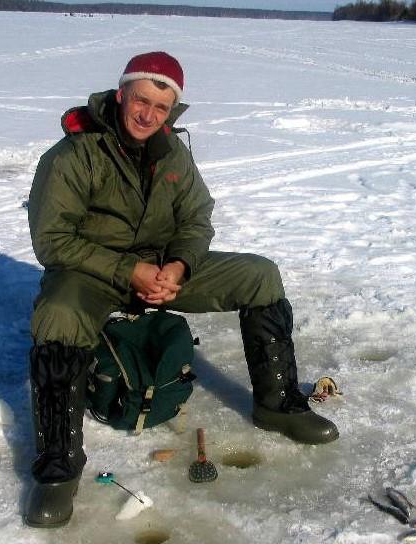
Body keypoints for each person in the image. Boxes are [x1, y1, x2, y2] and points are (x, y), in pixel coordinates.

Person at [24, 51, 338, 528]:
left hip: (162, 270)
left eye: (162, 107)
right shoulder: (73, 153)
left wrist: (178, 265)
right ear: (122, 92)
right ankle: (58, 467)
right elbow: (52, 241)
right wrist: (129, 271)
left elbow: (196, 217)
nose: (149, 115)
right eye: (142, 100)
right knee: (59, 314)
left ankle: (278, 406)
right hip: (88, 273)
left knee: (260, 275)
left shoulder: (172, 152)